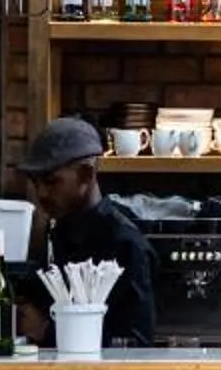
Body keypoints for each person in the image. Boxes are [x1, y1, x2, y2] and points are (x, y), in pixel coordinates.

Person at [12, 118, 157, 347]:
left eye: (51, 182)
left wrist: (46, 330)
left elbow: (135, 343)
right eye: (35, 182)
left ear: (86, 175)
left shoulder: (125, 245)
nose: (41, 193)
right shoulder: (56, 233)